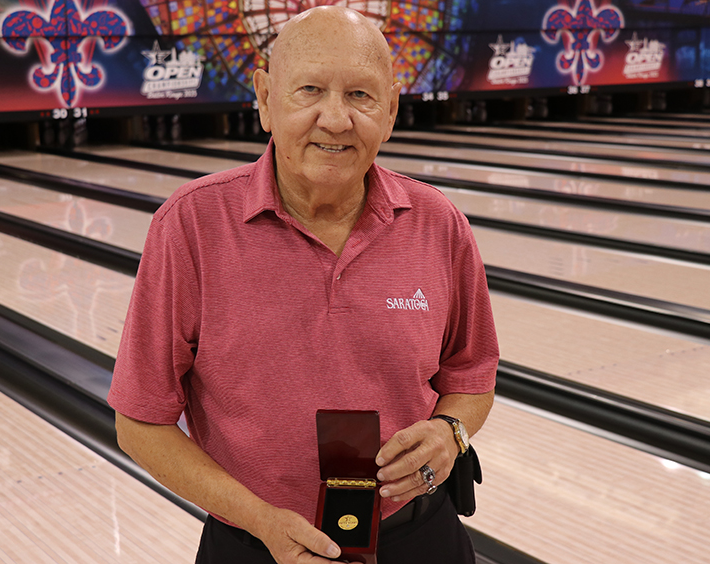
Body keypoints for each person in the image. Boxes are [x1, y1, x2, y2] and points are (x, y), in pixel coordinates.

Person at [108, 6, 499, 564]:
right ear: (266, 99)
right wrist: (262, 522)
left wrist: (451, 431)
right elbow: (139, 422)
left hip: (418, 534)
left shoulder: (438, 223)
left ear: (390, 110)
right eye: (309, 90)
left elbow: (472, 374)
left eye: (361, 96)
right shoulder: (191, 225)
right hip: (254, 543)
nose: (335, 119)